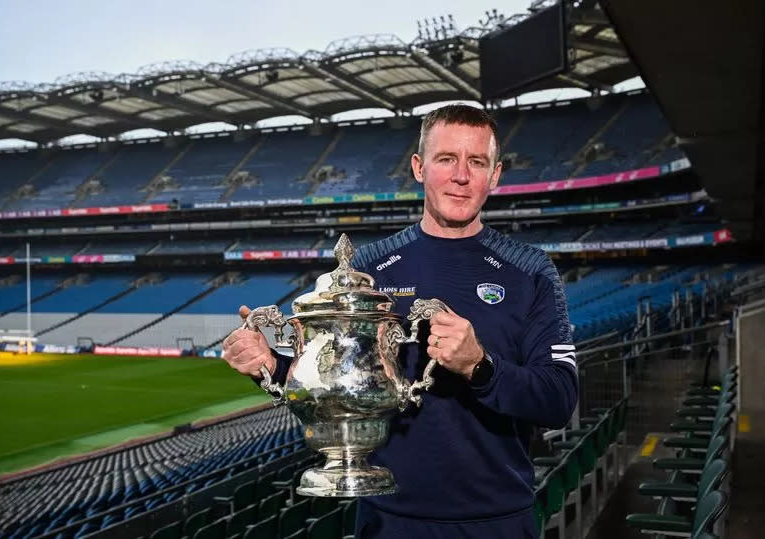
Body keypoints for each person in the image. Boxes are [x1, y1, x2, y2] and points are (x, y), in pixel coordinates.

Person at [222, 104, 578, 539]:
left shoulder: (531, 269)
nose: (461, 176)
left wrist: (479, 366)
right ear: (418, 167)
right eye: (446, 159)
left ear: (496, 174)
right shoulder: (371, 270)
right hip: (388, 519)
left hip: (499, 521)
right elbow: (338, 384)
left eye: (477, 162)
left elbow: (559, 399)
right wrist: (269, 365)